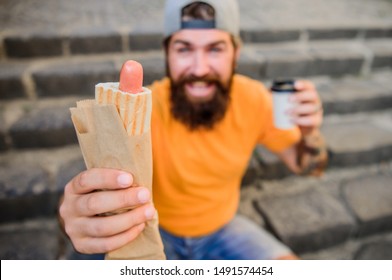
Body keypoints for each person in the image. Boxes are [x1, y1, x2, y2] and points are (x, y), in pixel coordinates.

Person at [59, 0, 327, 260]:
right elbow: (95, 196)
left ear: (236, 53)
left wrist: (309, 132)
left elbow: (308, 166)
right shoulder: (141, 111)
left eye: (215, 49)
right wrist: (75, 215)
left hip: (222, 229)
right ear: (167, 53)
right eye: (184, 49)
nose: (199, 68)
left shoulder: (256, 100)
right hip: (149, 229)